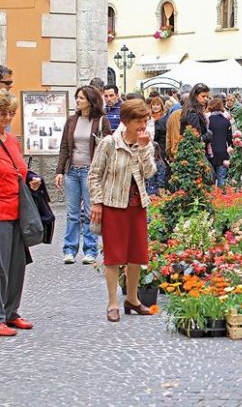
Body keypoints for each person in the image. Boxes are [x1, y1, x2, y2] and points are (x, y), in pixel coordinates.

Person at [88, 99, 156, 322]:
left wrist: (145, 148)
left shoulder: (145, 142)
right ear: (126, 121)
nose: (142, 125)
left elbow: (148, 173)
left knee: (137, 254)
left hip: (137, 204)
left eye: (145, 120)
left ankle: (133, 299)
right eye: (138, 121)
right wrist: (97, 202)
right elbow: (95, 174)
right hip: (114, 204)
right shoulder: (109, 143)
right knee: (114, 256)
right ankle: (112, 303)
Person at [0, 90, 42, 336]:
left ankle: (12, 312)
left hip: (18, 210)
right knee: (1, 267)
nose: (7, 118)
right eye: (3, 113)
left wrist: (32, 179)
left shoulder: (12, 141)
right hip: (1, 213)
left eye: (10, 113)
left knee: (17, 264)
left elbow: (21, 170)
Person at [55, 86, 112, 265]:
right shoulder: (72, 120)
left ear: (91, 101)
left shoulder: (101, 120)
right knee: (72, 213)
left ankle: (90, 250)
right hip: (72, 171)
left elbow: (109, 146)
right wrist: (59, 171)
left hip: (91, 172)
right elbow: (64, 146)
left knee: (90, 212)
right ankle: (70, 250)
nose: (78, 101)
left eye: (81, 98)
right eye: (77, 98)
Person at [207, 98, 232, 187]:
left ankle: (211, 199)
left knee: (210, 179)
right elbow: (230, 139)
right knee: (221, 178)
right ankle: (222, 198)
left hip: (210, 153)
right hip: (223, 152)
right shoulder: (226, 121)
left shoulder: (207, 121)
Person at [180, 83, 212, 150]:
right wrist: (207, 135)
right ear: (195, 96)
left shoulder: (193, 109)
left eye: (207, 96)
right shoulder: (192, 112)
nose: (206, 99)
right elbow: (195, 137)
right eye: (203, 96)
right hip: (193, 151)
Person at [150, 96, 168, 161]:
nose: (155, 106)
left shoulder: (165, 117)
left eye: (157, 105)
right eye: (153, 105)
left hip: (162, 147)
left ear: (161, 106)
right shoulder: (148, 117)